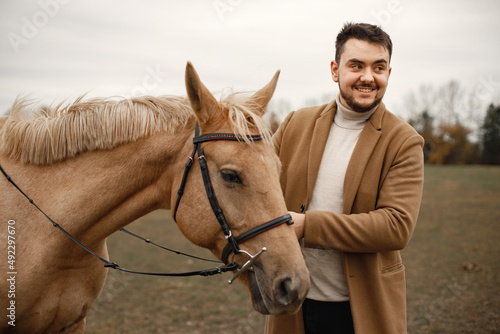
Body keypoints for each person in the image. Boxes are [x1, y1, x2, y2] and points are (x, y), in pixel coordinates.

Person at [265, 22, 424, 334]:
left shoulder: (404, 141)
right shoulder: (296, 123)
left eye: (379, 67)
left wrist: (307, 225)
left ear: (388, 74)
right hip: (294, 302)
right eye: (356, 65)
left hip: (362, 309)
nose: (368, 76)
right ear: (336, 70)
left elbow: (395, 227)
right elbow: (259, 191)